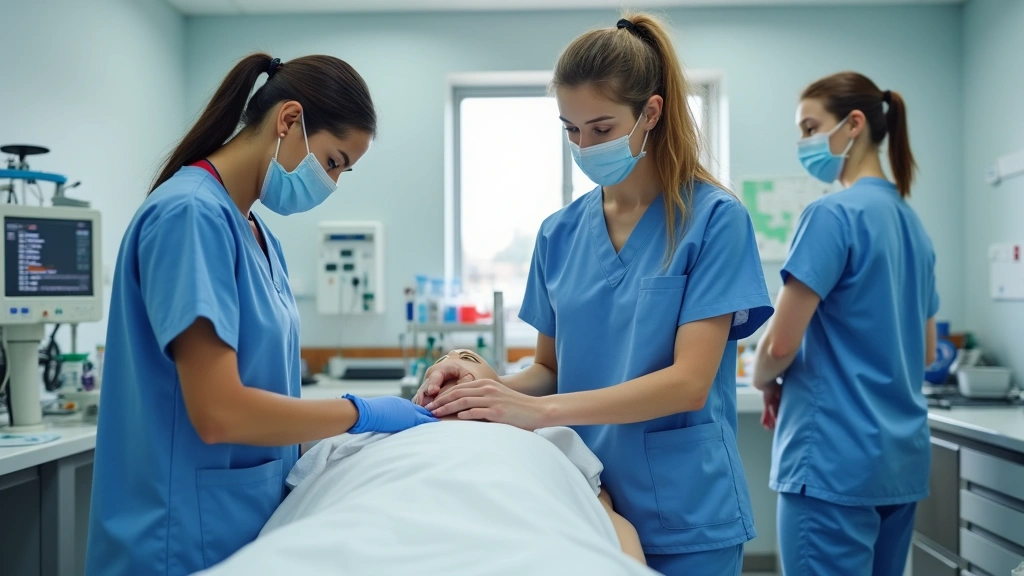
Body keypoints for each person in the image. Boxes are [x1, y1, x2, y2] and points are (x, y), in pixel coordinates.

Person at [414, 13, 773, 576]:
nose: (584, 145)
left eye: (601, 129)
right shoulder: (559, 233)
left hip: (684, 510)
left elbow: (688, 383)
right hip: (581, 500)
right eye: (570, 129)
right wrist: (485, 388)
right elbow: (549, 369)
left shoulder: (713, 220)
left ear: (650, 113)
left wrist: (535, 411)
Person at [86, 53, 436, 576]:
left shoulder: (255, 231)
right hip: (177, 538)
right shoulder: (190, 216)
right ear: (289, 120)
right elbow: (219, 412)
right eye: (334, 161)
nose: (332, 183)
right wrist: (362, 413)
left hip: (244, 527)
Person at [751, 72, 939, 576]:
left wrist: (764, 378)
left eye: (811, 126)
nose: (804, 142)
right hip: (898, 464)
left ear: (854, 124)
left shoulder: (831, 216)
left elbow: (781, 342)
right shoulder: (912, 225)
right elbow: (925, 353)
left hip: (833, 459)